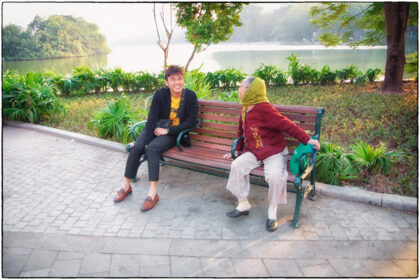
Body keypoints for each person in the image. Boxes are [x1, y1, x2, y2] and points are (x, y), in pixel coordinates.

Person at [223, 76, 320, 232]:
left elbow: (287, 125)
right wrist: (237, 149)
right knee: (236, 165)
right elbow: (241, 132)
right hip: (254, 151)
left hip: (273, 151)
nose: (239, 89)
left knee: (275, 176)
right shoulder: (245, 108)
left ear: (251, 91)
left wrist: (308, 140)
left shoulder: (264, 109)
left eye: (242, 86)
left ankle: (272, 213)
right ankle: (243, 203)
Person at [114, 65, 198, 212]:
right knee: (137, 147)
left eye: (180, 79)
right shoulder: (160, 94)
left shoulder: (190, 96)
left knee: (152, 149)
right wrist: (144, 140)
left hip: (174, 133)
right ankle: (126, 186)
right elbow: (151, 119)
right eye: (173, 80)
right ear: (166, 82)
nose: (177, 82)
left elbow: (190, 122)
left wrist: (168, 130)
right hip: (155, 128)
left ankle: (152, 193)